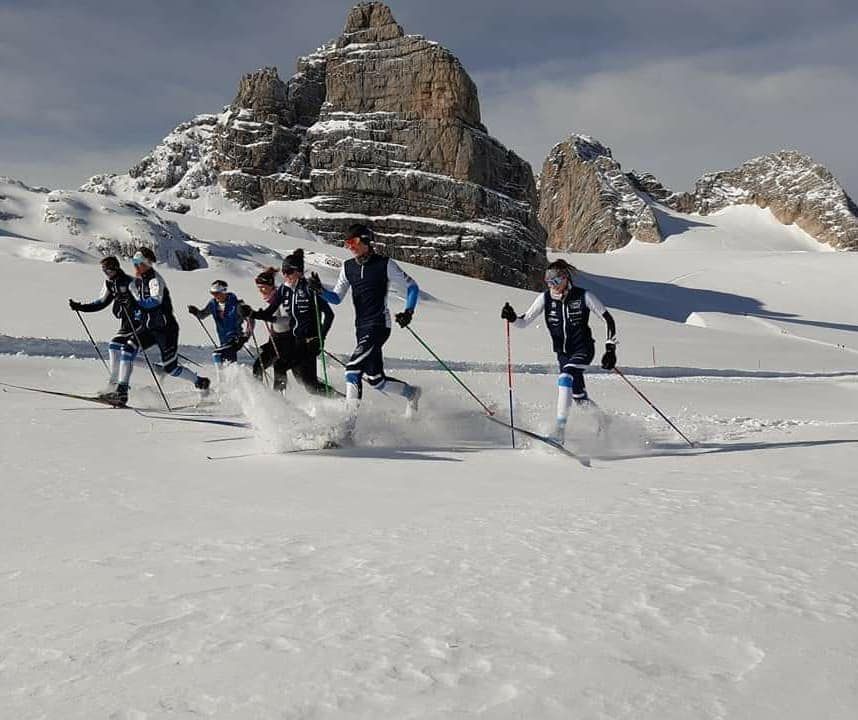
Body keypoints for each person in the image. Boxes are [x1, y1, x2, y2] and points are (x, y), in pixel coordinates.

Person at [309, 223, 420, 418]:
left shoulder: (384, 264)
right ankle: (412, 393)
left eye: (352, 241)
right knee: (377, 381)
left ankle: (348, 428)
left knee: (352, 371)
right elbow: (336, 297)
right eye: (346, 243)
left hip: (379, 325)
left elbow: (412, 286)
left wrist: (408, 311)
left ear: (365, 241)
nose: (349, 246)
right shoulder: (347, 267)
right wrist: (320, 291)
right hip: (361, 328)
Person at [501, 258, 617, 444]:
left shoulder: (584, 296)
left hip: (583, 349)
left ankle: (559, 430)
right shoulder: (545, 298)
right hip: (562, 354)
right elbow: (523, 322)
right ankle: (603, 420)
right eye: (548, 282)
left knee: (565, 377)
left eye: (555, 281)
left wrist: (610, 347)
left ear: (565, 278)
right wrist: (512, 317)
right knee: (578, 397)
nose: (552, 286)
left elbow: (608, 319)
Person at [108, 248, 210, 405]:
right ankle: (121, 391)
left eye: (139, 263)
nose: (135, 267)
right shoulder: (137, 282)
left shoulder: (155, 280)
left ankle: (200, 382)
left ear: (147, 264)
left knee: (171, 368)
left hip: (165, 329)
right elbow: (135, 305)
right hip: (148, 328)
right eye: (134, 263)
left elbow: (155, 301)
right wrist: (127, 305)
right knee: (127, 350)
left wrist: (136, 304)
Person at [250, 250, 335, 394]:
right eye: (283, 271)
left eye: (289, 271)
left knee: (296, 375)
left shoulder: (309, 288)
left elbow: (329, 314)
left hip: (310, 342)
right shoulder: (284, 289)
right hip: (296, 340)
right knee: (308, 384)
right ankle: (279, 403)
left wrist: (320, 338)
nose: (285, 275)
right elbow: (269, 312)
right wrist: (252, 313)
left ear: (299, 272)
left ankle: (343, 401)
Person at [68, 256, 140, 400]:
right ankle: (115, 386)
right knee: (115, 347)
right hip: (127, 323)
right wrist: (80, 307)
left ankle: (120, 389)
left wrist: (132, 308)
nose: (105, 273)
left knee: (121, 349)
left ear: (115, 268)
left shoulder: (130, 282)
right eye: (103, 270)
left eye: (107, 269)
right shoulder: (110, 284)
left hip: (139, 322)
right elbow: (101, 302)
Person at [188, 280, 253, 369]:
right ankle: (234, 380)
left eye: (217, 293)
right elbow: (202, 315)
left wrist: (246, 336)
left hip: (236, 339)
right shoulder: (213, 304)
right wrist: (196, 312)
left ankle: (221, 381)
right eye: (212, 293)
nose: (215, 296)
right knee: (229, 364)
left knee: (217, 354)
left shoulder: (237, 305)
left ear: (224, 291)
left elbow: (251, 319)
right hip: (223, 339)